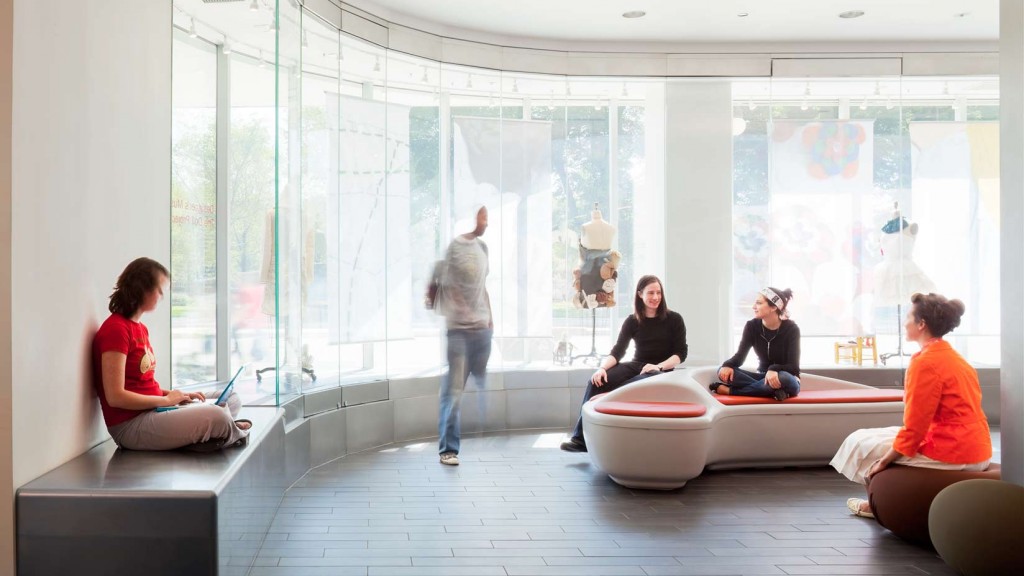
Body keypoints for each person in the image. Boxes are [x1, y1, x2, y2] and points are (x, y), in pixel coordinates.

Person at [831, 293, 991, 518]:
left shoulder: (924, 362)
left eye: (908, 316)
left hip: (954, 451)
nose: (904, 323)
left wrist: (885, 460)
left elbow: (915, 427)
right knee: (871, 435)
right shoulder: (955, 357)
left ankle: (876, 505)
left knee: (862, 444)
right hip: (977, 445)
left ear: (922, 324)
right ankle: (877, 499)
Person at [93, 257, 251, 451]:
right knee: (217, 416)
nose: (162, 296)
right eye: (160, 290)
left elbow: (143, 387)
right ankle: (228, 431)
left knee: (231, 399)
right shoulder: (116, 330)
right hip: (131, 425)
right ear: (142, 288)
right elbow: (115, 397)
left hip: (154, 409)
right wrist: (166, 401)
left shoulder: (140, 328)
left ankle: (215, 433)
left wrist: (178, 396)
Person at [560, 275, 687, 452]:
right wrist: (601, 369)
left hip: (660, 370)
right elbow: (618, 351)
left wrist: (658, 366)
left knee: (646, 376)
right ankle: (580, 439)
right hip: (637, 365)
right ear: (640, 294)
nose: (655, 297)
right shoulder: (632, 320)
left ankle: (612, 400)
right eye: (651, 293)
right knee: (596, 381)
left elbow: (680, 353)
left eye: (658, 292)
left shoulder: (674, 319)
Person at [436, 206, 493, 466]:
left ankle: (482, 432)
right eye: (483, 216)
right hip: (459, 331)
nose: (486, 222)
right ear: (471, 218)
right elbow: (450, 287)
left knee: (478, 380)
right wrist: (466, 314)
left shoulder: (483, 249)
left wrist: (490, 319)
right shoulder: (455, 248)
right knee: (454, 390)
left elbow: (483, 287)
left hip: (482, 330)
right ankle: (449, 448)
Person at [711, 287, 800, 401]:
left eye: (759, 303)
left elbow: (793, 367)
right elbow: (739, 358)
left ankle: (732, 391)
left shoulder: (791, 329)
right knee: (722, 371)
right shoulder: (752, 326)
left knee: (784, 378)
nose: (753, 307)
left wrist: (774, 369)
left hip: (786, 378)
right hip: (760, 377)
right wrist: (727, 365)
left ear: (773, 307)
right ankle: (774, 392)